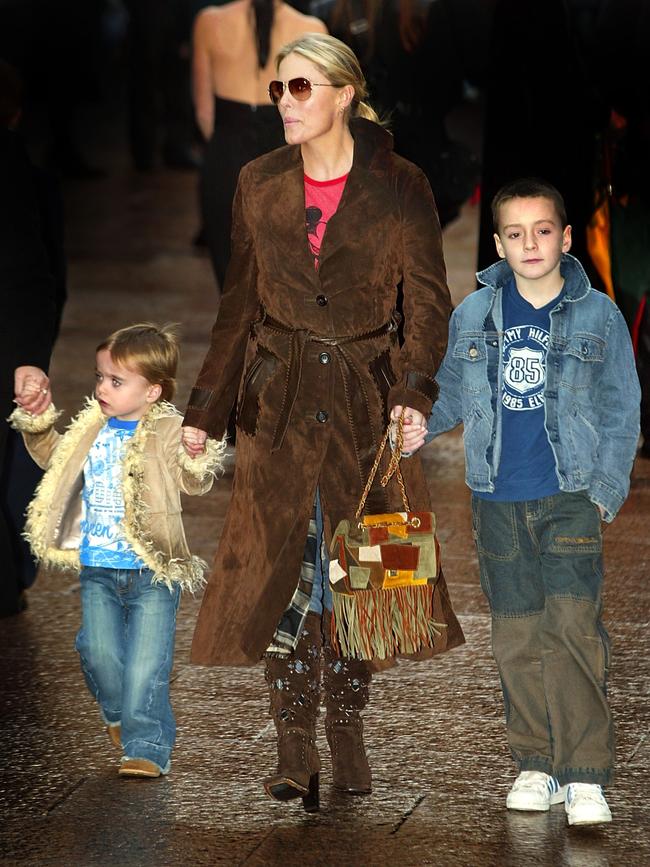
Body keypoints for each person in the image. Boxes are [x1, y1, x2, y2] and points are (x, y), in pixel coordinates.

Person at [181, 33, 464, 812]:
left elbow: (429, 305)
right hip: (277, 403)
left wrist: (413, 390)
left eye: (301, 89)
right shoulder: (257, 182)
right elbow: (237, 307)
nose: (285, 104)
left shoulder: (400, 183)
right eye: (279, 91)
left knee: (364, 576)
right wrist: (205, 410)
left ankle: (346, 726)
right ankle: (293, 740)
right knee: (281, 572)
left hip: (367, 407)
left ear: (344, 93)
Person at [407, 178, 640, 826]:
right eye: (516, 233)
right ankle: (537, 762)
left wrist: (602, 492)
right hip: (495, 500)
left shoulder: (599, 315)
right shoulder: (475, 315)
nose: (530, 243)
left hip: (569, 494)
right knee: (515, 637)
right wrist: (419, 422)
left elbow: (624, 408)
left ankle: (585, 772)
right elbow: (452, 391)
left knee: (572, 631)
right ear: (499, 243)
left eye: (543, 231)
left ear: (566, 239)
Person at [10, 324, 225, 778]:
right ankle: (118, 712)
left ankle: (147, 746)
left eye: (115, 381)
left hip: (153, 570)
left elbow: (194, 481)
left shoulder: (169, 430)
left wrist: (195, 450)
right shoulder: (92, 428)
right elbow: (54, 458)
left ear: (152, 392)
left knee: (148, 664)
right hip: (98, 568)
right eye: (100, 377)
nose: (101, 388)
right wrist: (39, 418)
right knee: (98, 652)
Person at [192, 0, 327, 288]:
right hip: (287, 164)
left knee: (232, 286)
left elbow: (204, 115)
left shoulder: (209, 23)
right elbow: (318, 118)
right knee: (286, 285)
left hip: (226, 161)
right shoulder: (312, 29)